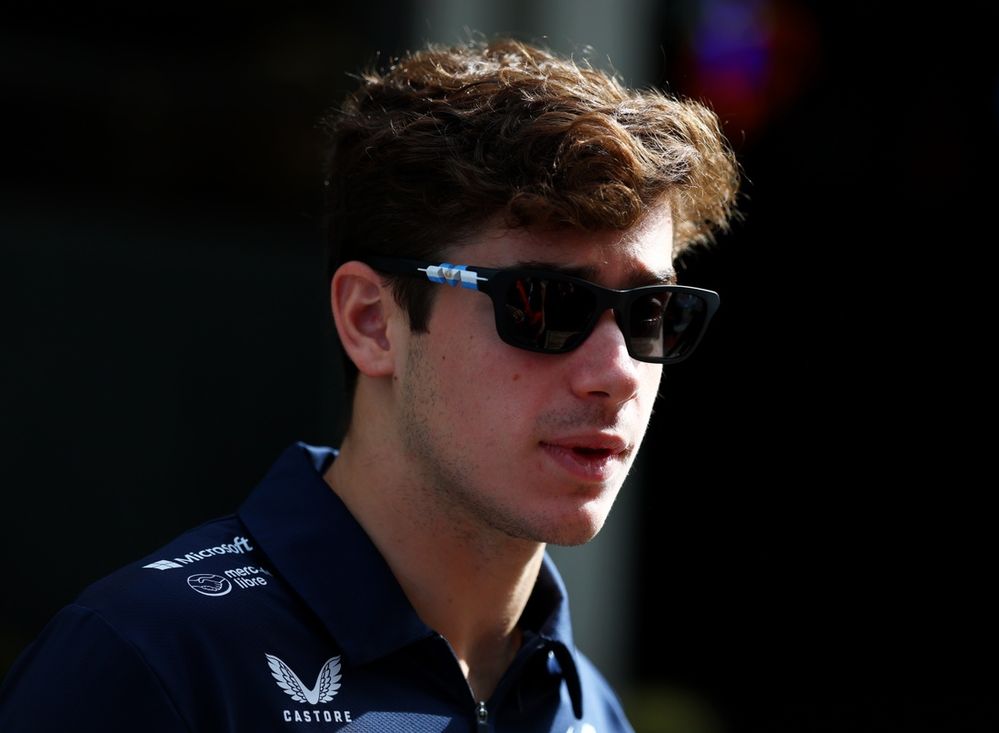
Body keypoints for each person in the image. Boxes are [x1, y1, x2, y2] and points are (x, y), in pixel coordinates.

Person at [0, 36, 739, 732]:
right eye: (545, 305)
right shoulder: (152, 663)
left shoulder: (591, 713)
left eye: (651, 312)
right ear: (372, 321)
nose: (618, 372)